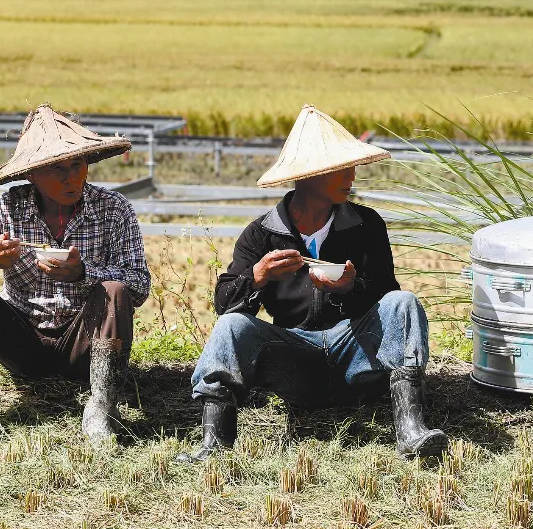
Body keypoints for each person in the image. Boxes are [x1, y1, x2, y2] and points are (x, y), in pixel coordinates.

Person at [178, 105, 446, 462]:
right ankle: (216, 443)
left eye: (352, 167)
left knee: (405, 302)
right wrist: (258, 277)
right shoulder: (261, 234)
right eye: (341, 169)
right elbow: (225, 304)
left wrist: (351, 288)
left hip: (356, 354)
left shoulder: (366, 225)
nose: (352, 176)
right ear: (309, 176)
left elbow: (387, 298)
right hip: (294, 359)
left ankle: (411, 430)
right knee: (230, 325)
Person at [0, 105, 150, 445]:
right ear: (32, 174)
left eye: (77, 165)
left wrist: (83, 274)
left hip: (84, 343)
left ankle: (102, 410)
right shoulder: (3, 209)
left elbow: (138, 286)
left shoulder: (114, 209)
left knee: (114, 289)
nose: (70, 177)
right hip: (22, 342)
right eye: (56, 169)